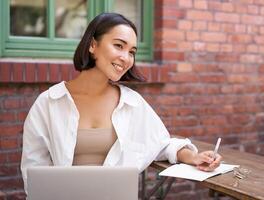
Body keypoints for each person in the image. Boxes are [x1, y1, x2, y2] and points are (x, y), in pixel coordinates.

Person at [21, 13, 222, 194]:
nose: (126, 58)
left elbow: (161, 143)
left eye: (132, 51)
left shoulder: (131, 103)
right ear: (93, 45)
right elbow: (34, 171)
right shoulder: (49, 103)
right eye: (118, 46)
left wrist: (192, 156)